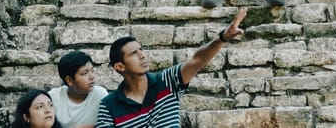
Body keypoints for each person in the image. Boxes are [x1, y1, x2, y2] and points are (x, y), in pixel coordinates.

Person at [98, 11, 246, 127]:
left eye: (141, 49)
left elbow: (197, 60)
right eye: (134, 53)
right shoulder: (108, 106)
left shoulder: (167, 81)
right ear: (120, 66)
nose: (142, 55)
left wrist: (222, 38)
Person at [48, 50, 103, 128]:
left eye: (92, 71)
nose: (92, 77)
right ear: (69, 80)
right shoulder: (53, 98)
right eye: (85, 73)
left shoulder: (100, 94)